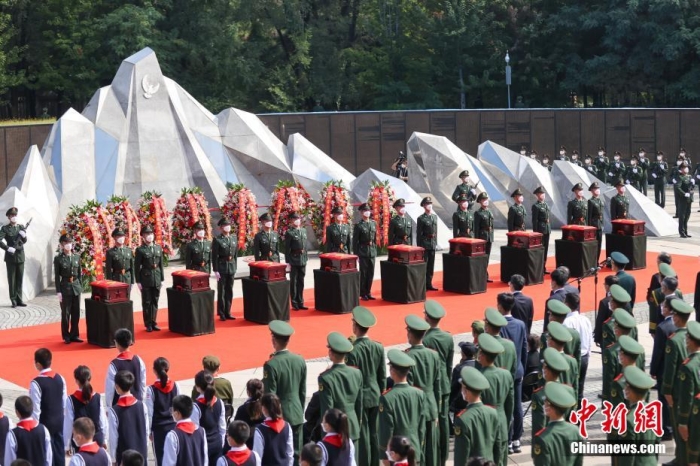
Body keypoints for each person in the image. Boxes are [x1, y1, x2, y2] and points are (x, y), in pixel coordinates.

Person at [263, 320, 307, 464]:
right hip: (296, 412)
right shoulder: (300, 360)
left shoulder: (272, 364)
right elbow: (302, 391)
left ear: (273, 340)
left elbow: (270, 396)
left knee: (281, 453)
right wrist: (299, 409)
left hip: (281, 417)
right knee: (297, 453)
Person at [345, 306, 385, 466]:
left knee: (363, 435)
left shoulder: (353, 351)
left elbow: (353, 381)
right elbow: (382, 376)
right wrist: (381, 393)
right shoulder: (378, 347)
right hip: (375, 395)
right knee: (375, 434)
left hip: (360, 398)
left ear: (355, 326)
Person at [378, 349, 427, 466]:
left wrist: (385, 454)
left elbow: (386, 429)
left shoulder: (387, 398)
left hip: (396, 453)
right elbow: (421, 426)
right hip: (414, 449)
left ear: (392, 371)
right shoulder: (419, 394)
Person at [404, 315, 441, 466]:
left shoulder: (407, 356)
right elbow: (437, 385)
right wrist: (437, 409)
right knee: (431, 447)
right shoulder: (434, 355)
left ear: (411, 334)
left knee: (418, 445)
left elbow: (409, 386)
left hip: (416, 407)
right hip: (431, 405)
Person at [662, 298, 694, 466]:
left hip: (677, 390)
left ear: (676, 317)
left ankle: (681, 459)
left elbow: (670, 368)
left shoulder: (673, 340)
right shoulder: (692, 334)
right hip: (691, 389)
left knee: (678, 426)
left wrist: (667, 390)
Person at [318, 333, 363, 447]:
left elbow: (327, 408)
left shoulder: (325, 378)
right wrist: (357, 424)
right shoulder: (357, 373)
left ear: (331, 353)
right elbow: (359, 403)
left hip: (335, 429)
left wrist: (326, 433)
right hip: (353, 425)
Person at [421, 301, 452, 465]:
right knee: (444, 419)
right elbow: (448, 365)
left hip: (432, 386)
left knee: (432, 423)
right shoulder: (447, 337)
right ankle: (443, 455)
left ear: (427, 316)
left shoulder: (426, 339)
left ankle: (432, 456)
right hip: (445, 385)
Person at [497, 294, 527, 454]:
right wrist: (523, 367)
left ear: (501, 306)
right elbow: (524, 348)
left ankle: (507, 440)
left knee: (505, 406)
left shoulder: (498, 326)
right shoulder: (520, 324)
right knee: (517, 406)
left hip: (503, 372)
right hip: (517, 371)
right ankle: (517, 439)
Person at [453, 366, 501, 465]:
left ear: (466, 391)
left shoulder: (462, 419)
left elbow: (461, 455)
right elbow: (498, 446)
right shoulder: (493, 412)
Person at [476, 333, 512, 466]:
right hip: (502, 422)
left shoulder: (478, 377)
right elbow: (510, 403)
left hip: (486, 425)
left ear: (483, 355)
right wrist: (506, 422)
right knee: (501, 460)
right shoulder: (506, 374)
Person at [30, 348, 66, 466]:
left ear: (38, 364)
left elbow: (35, 408)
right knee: (59, 452)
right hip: (59, 420)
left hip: (45, 423)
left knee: (47, 455)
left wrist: (34, 428)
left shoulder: (36, 383)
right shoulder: (60, 378)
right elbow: (64, 401)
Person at [531, 382, 582, 466]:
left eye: (547, 403)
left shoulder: (542, 438)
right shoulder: (576, 431)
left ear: (550, 408)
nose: (545, 405)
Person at [618, 366, 659, 466]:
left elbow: (627, 456)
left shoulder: (628, 420)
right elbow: (657, 443)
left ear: (630, 391)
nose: (625, 389)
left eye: (627, 387)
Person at [107, 370, 149, 464]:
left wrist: (113, 458)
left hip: (124, 457)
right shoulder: (142, 406)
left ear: (117, 387)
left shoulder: (114, 410)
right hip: (141, 454)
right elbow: (146, 431)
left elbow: (113, 438)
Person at [650, 296, 677, 440]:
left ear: (669, 310)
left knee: (664, 400)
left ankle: (666, 429)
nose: (662, 308)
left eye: (664, 306)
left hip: (664, 370)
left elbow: (658, 352)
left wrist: (653, 370)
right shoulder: (679, 325)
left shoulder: (662, 328)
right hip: (676, 370)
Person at [64, 366, 107, 455]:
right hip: (96, 440)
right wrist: (104, 439)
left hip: (80, 441)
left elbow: (68, 424)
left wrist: (66, 445)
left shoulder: (71, 400)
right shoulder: (97, 398)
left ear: (76, 380)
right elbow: (102, 421)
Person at [146, 357, 181, 466]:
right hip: (174, 426)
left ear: (154, 370)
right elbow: (179, 407)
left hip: (158, 429)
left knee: (160, 459)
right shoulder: (176, 386)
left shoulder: (151, 390)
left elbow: (149, 413)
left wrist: (149, 431)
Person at [602, 308, 641, 404]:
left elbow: (609, 378)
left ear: (616, 330)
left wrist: (606, 399)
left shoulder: (611, 352)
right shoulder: (640, 351)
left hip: (618, 395)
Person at [530, 348, 570, 440]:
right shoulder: (568, 390)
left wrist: (537, 442)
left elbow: (538, 424)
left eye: (544, 367)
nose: (543, 370)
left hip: (547, 439)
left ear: (547, 371)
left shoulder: (539, 395)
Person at [676, 320, 700, 466]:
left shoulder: (688, 367)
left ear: (691, 341)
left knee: (688, 455)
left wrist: (683, 422)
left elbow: (686, 397)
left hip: (692, 416)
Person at [4, 396, 52, 466]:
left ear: (17, 412)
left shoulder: (12, 434)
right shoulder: (44, 430)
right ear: (32, 409)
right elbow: (48, 457)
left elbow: (9, 461)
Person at [105, 328, 147, 407]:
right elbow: (142, 382)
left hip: (119, 404)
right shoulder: (138, 360)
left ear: (116, 343)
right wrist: (142, 400)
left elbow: (110, 389)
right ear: (131, 342)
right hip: (136, 402)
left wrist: (109, 406)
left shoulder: (114, 364)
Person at [563, 294, 592, 407]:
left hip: (572, 358)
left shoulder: (567, 322)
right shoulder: (585, 319)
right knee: (580, 388)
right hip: (584, 357)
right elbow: (590, 339)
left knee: (570, 387)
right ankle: (579, 414)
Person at [192, 371, 226, 465]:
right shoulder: (219, 402)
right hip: (217, 443)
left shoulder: (196, 407)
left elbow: (195, 431)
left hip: (203, 446)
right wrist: (221, 442)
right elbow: (222, 427)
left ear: (198, 387)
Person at [134, 224, 165, 332]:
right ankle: (148, 323)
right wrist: (138, 281)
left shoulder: (157, 247)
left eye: (151, 233)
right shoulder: (140, 250)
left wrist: (162, 278)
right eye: (147, 234)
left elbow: (161, 264)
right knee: (147, 302)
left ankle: (154, 321)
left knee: (155, 300)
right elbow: (137, 266)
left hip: (156, 277)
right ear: (143, 236)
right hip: (146, 278)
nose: (149, 236)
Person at [162, 395, 207, 466]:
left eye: (172, 410)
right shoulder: (202, 431)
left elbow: (168, 463)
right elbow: (205, 460)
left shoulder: (172, 436)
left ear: (177, 414)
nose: (172, 413)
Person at [54, 234, 82, 343]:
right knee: (66, 314)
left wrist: (79, 285)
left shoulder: (76, 257)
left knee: (76, 313)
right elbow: (57, 276)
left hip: (75, 287)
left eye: (69, 242)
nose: (68, 245)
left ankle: (74, 334)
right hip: (65, 287)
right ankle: (66, 335)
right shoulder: (58, 259)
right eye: (65, 243)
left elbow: (79, 273)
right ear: (61, 245)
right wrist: (58, 291)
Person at [253, 393, 294, 466]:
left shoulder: (260, 430)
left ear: (264, 409)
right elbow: (290, 453)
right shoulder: (287, 426)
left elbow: (257, 457)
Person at [0, 207, 28, 308]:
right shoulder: (5, 228)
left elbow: (24, 241)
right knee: (12, 279)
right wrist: (7, 248)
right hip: (10, 257)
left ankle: (19, 299)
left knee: (20, 278)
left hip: (20, 256)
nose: (14, 217)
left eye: (15, 215)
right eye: (12, 216)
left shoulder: (21, 227)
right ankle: (13, 300)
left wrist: (24, 236)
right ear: (8, 217)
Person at [608, 335, 645, 408]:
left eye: (620, 353)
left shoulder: (619, 383)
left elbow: (617, 410)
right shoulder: (644, 381)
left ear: (622, 357)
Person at [212, 217, 238, 321]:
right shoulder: (217, 239)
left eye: (228, 225)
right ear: (221, 228)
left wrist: (235, 266)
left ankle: (228, 311)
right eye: (224, 226)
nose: (227, 227)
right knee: (221, 291)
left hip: (231, 267)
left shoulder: (233, 238)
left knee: (229, 290)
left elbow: (235, 255)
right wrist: (216, 270)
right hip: (222, 267)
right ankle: (222, 312)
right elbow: (214, 256)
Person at [545, 322, 579, 401]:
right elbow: (575, 386)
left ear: (551, 342)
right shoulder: (572, 361)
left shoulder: (549, 360)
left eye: (548, 338)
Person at [353, 203, 377, 300]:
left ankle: (368, 291)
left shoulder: (373, 223)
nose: (367, 212)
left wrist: (375, 249)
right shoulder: (359, 226)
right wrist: (356, 254)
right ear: (361, 213)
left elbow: (374, 238)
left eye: (368, 210)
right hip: (363, 251)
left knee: (371, 272)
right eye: (364, 211)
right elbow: (355, 242)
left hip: (371, 251)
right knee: (363, 273)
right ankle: (362, 293)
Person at [285, 212, 308, 310]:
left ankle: (301, 301)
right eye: (294, 219)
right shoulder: (290, 233)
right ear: (291, 221)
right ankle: (294, 302)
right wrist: (287, 261)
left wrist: (306, 257)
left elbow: (305, 245)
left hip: (302, 258)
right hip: (294, 258)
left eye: (298, 219)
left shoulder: (303, 230)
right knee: (293, 281)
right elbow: (287, 248)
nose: (297, 221)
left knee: (301, 280)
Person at [234, 379, 265, 450]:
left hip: (247, 445)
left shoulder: (242, 409)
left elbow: (236, 428)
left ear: (248, 392)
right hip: (264, 443)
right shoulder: (266, 408)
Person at [416, 197, 438, 291]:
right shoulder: (421, 218)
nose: (429, 205)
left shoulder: (434, 217)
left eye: (430, 203)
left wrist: (435, 242)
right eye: (427, 204)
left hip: (432, 243)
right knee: (424, 264)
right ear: (424, 206)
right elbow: (418, 233)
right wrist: (419, 247)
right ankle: (423, 284)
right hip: (424, 243)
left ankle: (429, 283)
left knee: (431, 265)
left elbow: (436, 231)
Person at [450, 342, 477, 414]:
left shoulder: (459, 368)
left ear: (463, 355)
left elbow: (453, 388)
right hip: (475, 402)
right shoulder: (479, 366)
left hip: (460, 405)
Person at [473, 193, 494, 283]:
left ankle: (485, 274)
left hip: (489, 237)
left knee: (487, 257)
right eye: (483, 200)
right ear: (480, 201)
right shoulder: (478, 213)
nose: (486, 201)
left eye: (486, 199)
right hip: (482, 237)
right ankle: (481, 275)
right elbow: (476, 228)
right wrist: (477, 241)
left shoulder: (489, 212)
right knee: (481, 257)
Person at [106, 228, 134, 292]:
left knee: (127, 299)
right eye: (119, 236)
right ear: (115, 237)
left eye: (123, 236)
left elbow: (132, 267)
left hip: (127, 278)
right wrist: (109, 282)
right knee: (117, 299)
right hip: (116, 278)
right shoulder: (110, 252)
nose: (122, 238)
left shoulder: (128, 250)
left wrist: (132, 281)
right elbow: (108, 269)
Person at [531, 187, 551, 274]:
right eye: (541, 194)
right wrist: (535, 233)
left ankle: (544, 266)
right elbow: (535, 220)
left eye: (543, 193)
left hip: (547, 229)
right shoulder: (536, 206)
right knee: (540, 249)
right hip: (540, 230)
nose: (543, 195)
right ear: (537, 195)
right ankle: (538, 267)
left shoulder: (546, 205)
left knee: (545, 249)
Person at [587, 182, 604, 262]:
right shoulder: (590, 201)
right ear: (592, 191)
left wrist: (602, 224)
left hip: (600, 225)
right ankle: (593, 261)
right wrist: (590, 228)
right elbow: (589, 216)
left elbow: (602, 215)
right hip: (594, 225)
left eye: (598, 189)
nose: (597, 190)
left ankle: (597, 260)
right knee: (594, 244)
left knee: (599, 244)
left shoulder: (600, 201)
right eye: (595, 189)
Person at [677, 161, 694, 237]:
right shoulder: (680, 177)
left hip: (689, 199)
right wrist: (684, 193)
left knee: (687, 215)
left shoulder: (689, 177)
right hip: (683, 199)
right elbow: (678, 187)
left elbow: (691, 188)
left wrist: (693, 184)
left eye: (686, 167)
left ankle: (686, 231)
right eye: (684, 167)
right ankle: (681, 232)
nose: (686, 169)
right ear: (681, 169)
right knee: (682, 216)